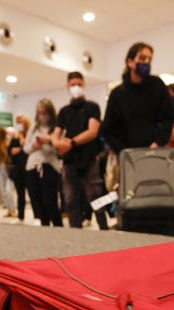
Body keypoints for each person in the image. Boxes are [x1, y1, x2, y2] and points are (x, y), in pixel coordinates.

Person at [52, 72, 109, 230]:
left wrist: (71, 142)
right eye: (72, 84)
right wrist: (59, 144)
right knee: (70, 200)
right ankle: (75, 234)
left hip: (89, 159)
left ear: (84, 85)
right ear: (67, 86)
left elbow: (93, 131)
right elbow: (55, 135)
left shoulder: (92, 107)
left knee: (96, 198)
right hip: (69, 162)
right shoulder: (64, 111)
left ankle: (104, 230)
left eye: (79, 84)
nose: (76, 87)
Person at [99, 42, 174, 154]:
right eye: (143, 58)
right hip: (128, 155)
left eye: (150, 59)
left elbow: (168, 118)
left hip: (154, 151)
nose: (147, 62)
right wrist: (122, 151)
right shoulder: (117, 93)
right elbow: (108, 129)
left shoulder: (157, 86)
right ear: (130, 62)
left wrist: (158, 142)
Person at [24, 99, 62, 227]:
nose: (43, 115)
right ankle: (44, 226)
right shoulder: (33, 128)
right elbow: (26, 148)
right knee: (37, 201)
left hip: (50, 166)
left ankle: (58, 227)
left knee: (50, 201)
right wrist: (35, 145)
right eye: (40, 113)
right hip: (32, 167)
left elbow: (60, 149)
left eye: (45, 112)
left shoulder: (57, 128)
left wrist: (49, 142)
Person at [0, 127, 18, 218]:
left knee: (9, 190)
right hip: (0, 169)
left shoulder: (7, 143)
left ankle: (13, 209)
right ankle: (9, 210)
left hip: (8, 169)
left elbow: (8, 156)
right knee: (3, 191)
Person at [9, 115, 30, 221]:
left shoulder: (30, 136)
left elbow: (30, 149)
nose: (19, 125)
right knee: (20, 194)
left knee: (33, 193)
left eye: (20, 122)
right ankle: (20, 216)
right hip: (18, 170)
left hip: (30, 168)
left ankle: (38, 216)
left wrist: (21, 147)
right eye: (17, 122)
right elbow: (11, 151)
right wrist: (20, 148)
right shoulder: (15, 138)